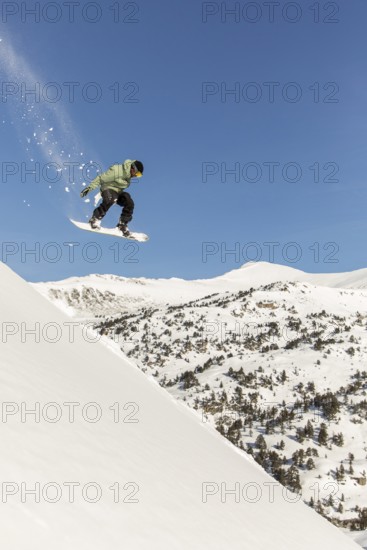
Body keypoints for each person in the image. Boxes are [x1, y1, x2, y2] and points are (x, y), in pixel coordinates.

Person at [80, 159, 144, 236]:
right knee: (111, 198)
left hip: (117, 192)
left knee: (129, 201)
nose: (136, 176)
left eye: (139, 175)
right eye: (137, 174)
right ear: (133, 169)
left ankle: (122, 225)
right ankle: (94, 219)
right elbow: (101, 178)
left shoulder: (128, 177)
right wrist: (89, 188)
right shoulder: (117, 171)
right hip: (107, 189)